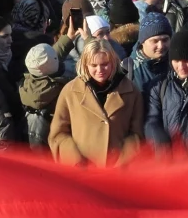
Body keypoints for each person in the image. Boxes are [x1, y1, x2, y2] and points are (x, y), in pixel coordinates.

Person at [49, 37, 144, 166]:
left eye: (105, 64)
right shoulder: (70, 92)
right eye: (94, 65)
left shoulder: (131, 91)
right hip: (81, 173)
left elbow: (137, 134)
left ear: (113, 62)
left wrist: (122, 163)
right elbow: (58, 134)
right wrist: (76, 161)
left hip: (119, 172)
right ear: (85, 65)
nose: (100, 70)